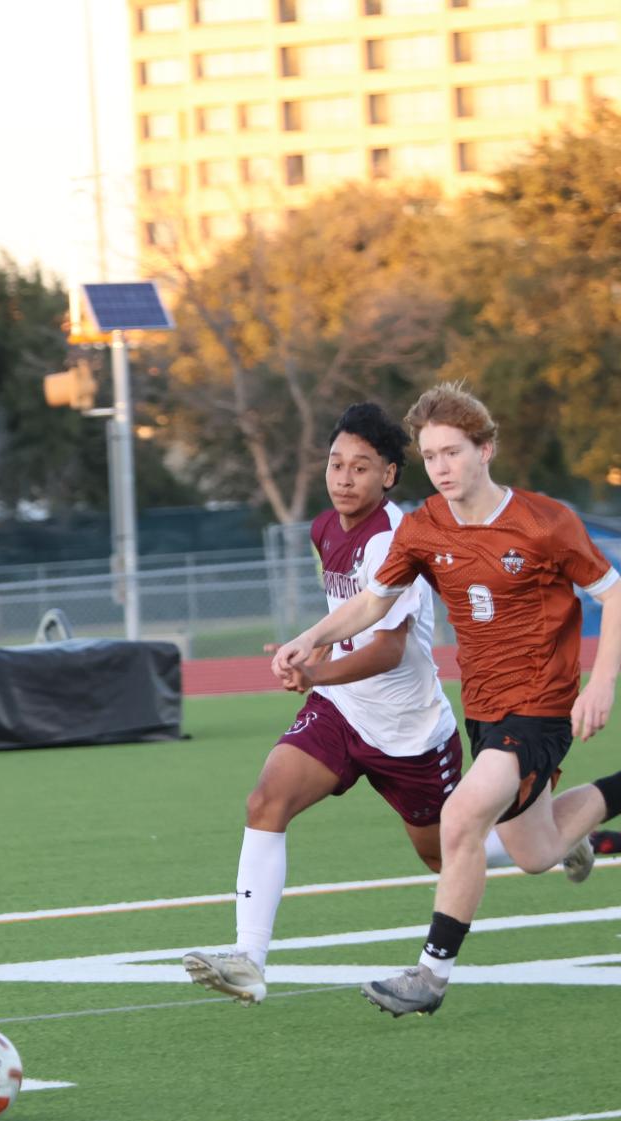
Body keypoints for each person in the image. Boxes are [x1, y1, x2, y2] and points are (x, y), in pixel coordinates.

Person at [271, 383, 621, 1017]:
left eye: (452, 452)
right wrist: (309, 639)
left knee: (460, 819)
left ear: (486, 450)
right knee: (536, 854)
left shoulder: (544, 521)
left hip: (541, 704)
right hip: (482, 707)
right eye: (430, 456)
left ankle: (428, 977)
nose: (442, 468)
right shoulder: (425, 526)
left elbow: (616, 598)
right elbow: (373, 602)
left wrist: (603, 681)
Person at [182, 402, 592, 1009]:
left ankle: (551, 834)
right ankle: (249, 959)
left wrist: (315, 663)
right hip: (341, 711)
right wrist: (312, 651)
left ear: (390, 476)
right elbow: (345, 617)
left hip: (410, 734)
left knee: (444, 852)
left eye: (361, 468)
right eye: (335, 464)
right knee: (266, 799)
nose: (343, 478)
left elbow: (389, 650)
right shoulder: (325, 528)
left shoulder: (400, 536)